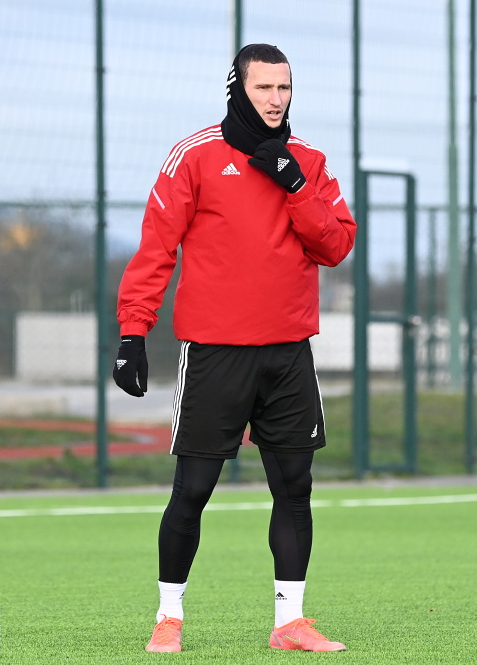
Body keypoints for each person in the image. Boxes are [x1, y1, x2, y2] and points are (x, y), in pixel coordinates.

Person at [112, 43, 356, 653]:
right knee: (193, 488)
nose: (276, 99)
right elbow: (156, 249)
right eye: (263, 88)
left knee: (294, 486)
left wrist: (294, 184)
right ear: (237, 89)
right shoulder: (194, 156)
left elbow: (335, 246)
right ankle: (169, 617)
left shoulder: (309, 161)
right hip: (215, 352)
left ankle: (290, 623)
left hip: (288, 352)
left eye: (284, 88)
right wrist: (133, 332)